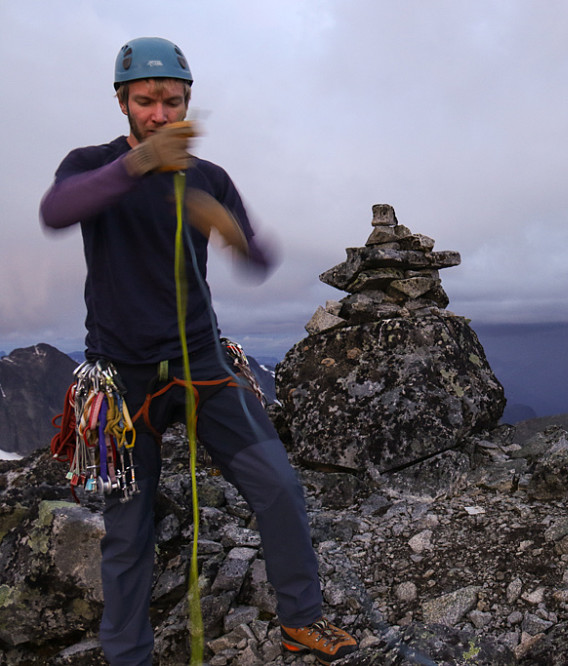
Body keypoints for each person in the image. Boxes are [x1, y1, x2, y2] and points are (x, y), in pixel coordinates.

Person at [39, 37, 357, 666]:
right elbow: (57, 210)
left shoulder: (207, 178)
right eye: (148, 101)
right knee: (128, 531)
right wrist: (138, 165)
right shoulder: (92, 164)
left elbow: (261, 257)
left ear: (189, 103)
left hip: (200, 365)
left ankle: (302, 620)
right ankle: (128, 654)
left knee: (278, 488)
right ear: (123, 103)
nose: (161, 114)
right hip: (122, 379)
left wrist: (231, 230)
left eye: (174, 102)